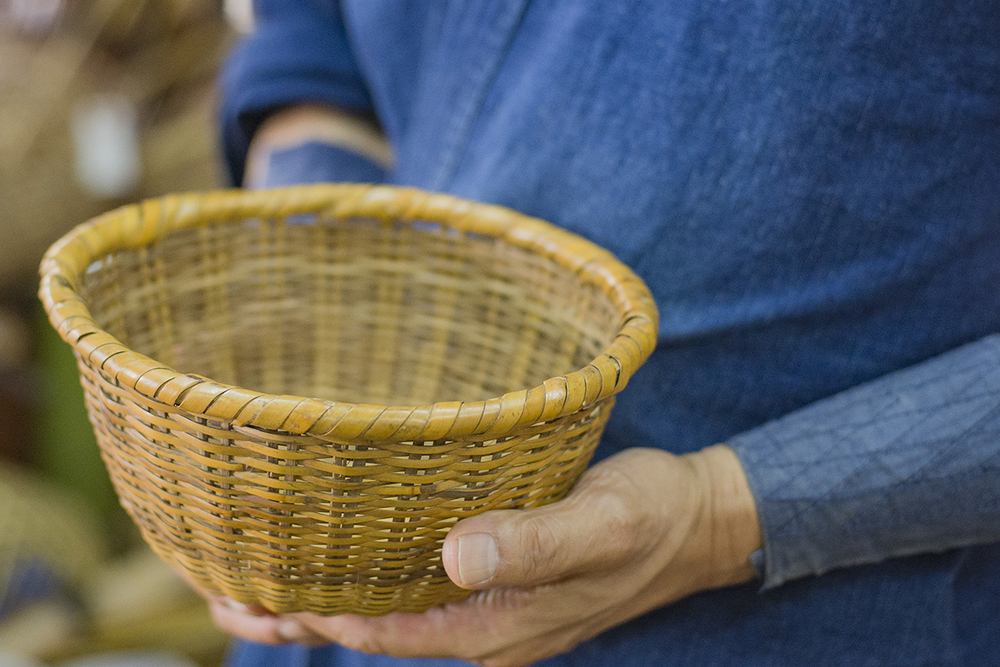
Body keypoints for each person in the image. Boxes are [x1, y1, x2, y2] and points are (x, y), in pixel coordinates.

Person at [205, 1, 1000, 665]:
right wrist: (311, 203)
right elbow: (312, 30)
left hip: (779, 624)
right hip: (322, 597)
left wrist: (715, 513)